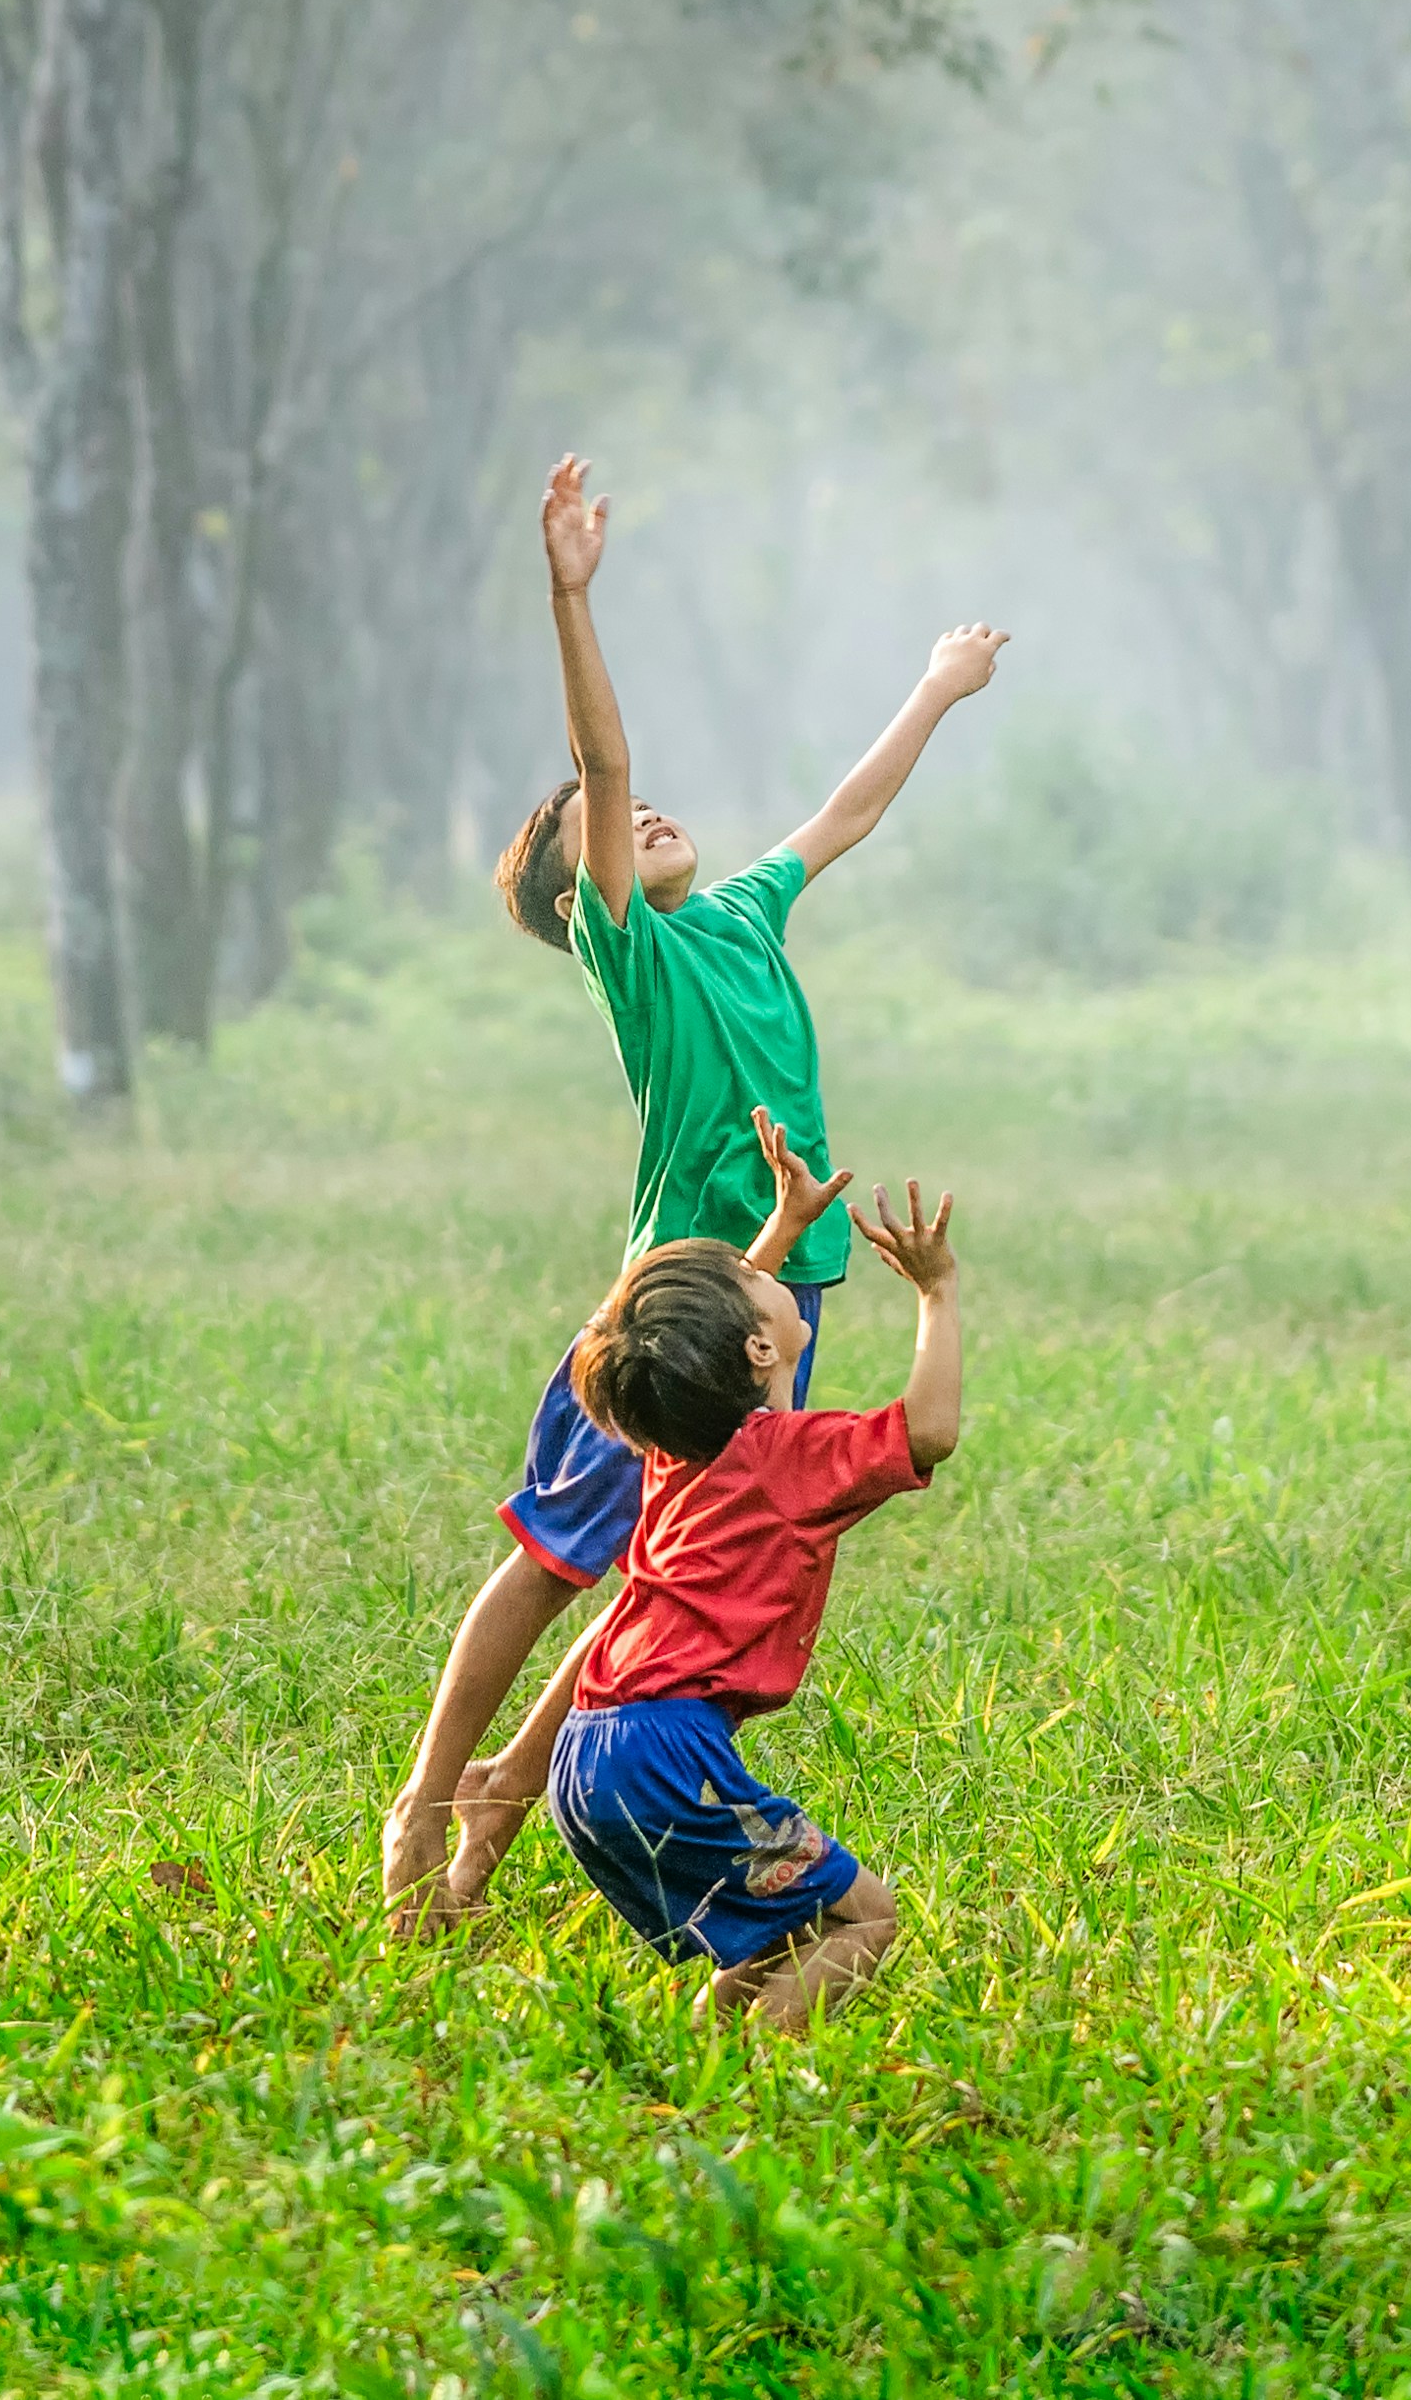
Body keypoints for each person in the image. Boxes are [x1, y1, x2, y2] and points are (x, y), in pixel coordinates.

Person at [377, 451, 1007, 1927]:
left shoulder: (737, 913)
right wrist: (570, 594)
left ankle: (483, 1848)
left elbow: (844, 812)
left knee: (669, 1580)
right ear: (573, 896)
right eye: (601, 825)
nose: (641, 809)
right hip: (676, 1301)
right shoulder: (635, 954)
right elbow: (600, 762)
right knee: (554, 1558)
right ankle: (426, 1808)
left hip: (784, 1291)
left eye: (651, 805)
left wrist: (935, 687)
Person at [523, 1154, 964, 2029]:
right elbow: (931, 1429)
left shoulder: (675, 1440)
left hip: (586, 1753)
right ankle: (762, 2087)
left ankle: (704, 2064)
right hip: (666, 1759)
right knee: (865, 1918)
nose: (765, 1273)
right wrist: (937, 1291)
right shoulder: (787, 1460)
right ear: (761, 1346)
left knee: (776, 1939)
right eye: (754, 1280)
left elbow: (720, 1335)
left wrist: (787, 1222)